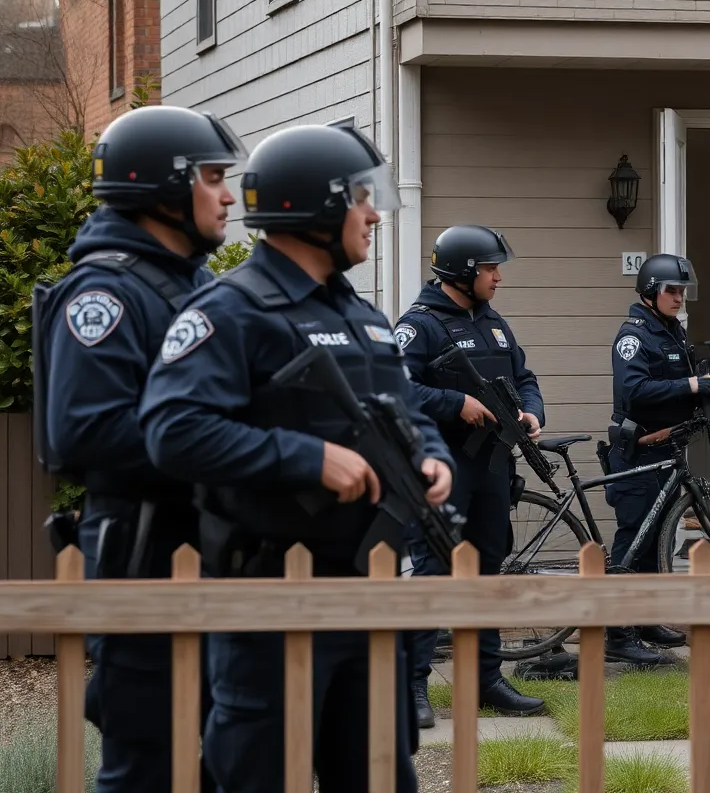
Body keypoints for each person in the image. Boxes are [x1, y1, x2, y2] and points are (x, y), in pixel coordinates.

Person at [138, 120, 454, 792]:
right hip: (270, 607)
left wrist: (432, 459)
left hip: (369, 606)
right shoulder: (231, 310)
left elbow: (410, 413)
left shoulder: (364, 316)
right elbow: (173, 429)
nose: (372, 215)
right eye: (360, 199)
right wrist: (306, 459)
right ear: (318, 207)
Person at [33, 104, 246, 793]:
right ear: (163, 188)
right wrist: (229, 447)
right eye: (213, 177)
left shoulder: (199, 286)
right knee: (148, 767)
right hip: (143, 553)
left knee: (219, 764)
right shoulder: (106, 293)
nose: (229, 194)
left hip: (213, 551)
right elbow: (85, 430)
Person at [393, 224, 547, 726]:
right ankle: (414, 687)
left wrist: (531, 411)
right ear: (462, 271)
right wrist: (455, 402)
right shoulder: (419, 327)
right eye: (490, 268)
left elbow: (524, 378)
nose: (498, 276)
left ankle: (485, 680)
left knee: (487, 574)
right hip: (441, 467)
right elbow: (395, 391)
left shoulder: (495, 323)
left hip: (493, 467)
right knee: (433, 573)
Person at [605, 253, 710, 666]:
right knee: (634, 537)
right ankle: (617, 634)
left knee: (659, 539)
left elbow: (679, 384)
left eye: (682, 290)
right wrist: (690, 383)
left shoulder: (672, 332)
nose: (679, 297)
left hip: (666, 449)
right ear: (651, 292)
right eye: (672, 290)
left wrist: (704, 387)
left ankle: (645, 619)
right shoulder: (634, 335)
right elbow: (634, 389)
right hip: (637, 450)